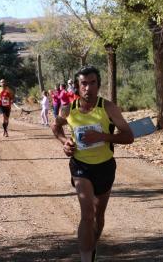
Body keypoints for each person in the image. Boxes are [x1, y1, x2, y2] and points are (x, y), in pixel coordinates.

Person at [51, 66, 134, 262]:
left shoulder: (108, 108)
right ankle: (86, 257)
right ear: (77, 87)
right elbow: (55, 126)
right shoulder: (68, 110)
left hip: (105, 166)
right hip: (81, 166)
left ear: (98, 84)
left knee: (98, 216)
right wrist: (65, 143)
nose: (88, 88)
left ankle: (92, 245)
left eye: (92, 83)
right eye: (84, 84)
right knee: (87, 214)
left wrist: (102, 136)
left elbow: (129, 136)